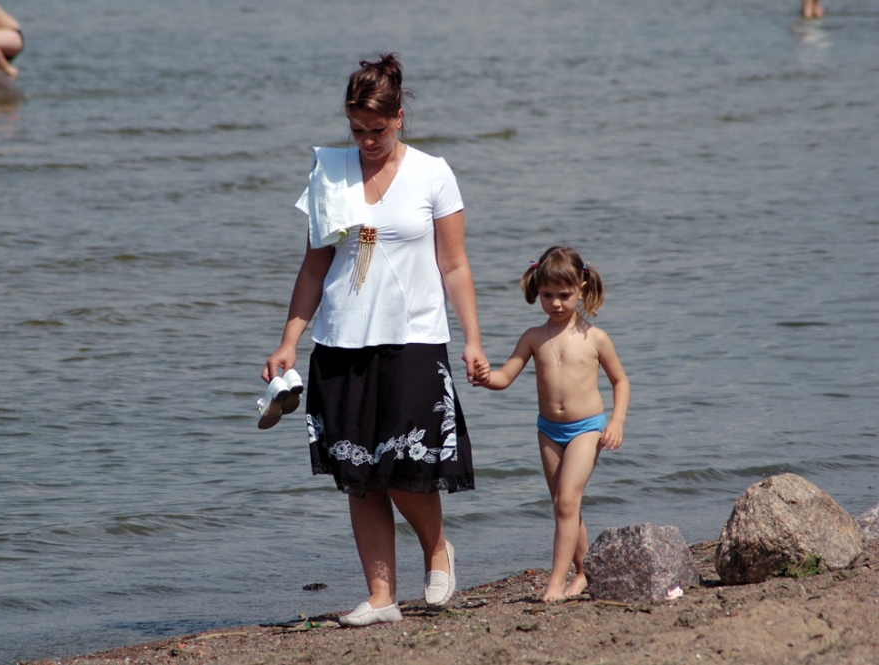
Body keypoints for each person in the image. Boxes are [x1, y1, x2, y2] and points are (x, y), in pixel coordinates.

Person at [262, 53, 488, 627]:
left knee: (406, 463)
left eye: (378, 130)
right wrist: (289, 341)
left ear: (399, 118)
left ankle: (437, 551)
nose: (366, 141)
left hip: (414, 337)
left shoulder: (433, 173)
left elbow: (454, 264)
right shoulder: (327, 172)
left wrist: (472, 339)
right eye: (357, 129)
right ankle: (381, 598)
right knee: (359, 474)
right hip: (342, 341)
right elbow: (314, 267)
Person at [475, 246, 629, 602]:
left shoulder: (595, 338)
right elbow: (505, 377)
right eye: (547, 295)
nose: (555, 303)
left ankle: (555, 583)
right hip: (548, 431)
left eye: (564, 295)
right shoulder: (533, 337)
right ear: (537, 291)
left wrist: (617, 421)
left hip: (587, 428)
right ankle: (585, 572)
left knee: (567, 500)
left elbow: (620, 381)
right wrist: (485, 377)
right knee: (564, 504)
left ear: (581, 289)